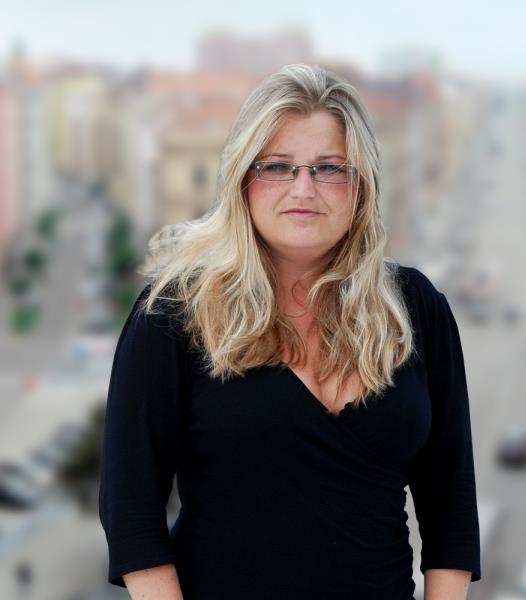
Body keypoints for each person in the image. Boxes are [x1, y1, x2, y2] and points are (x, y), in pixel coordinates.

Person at [99, 63, 480, 600]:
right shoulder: (174, 313)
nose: (304, 188)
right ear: (243, 180)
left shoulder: (416, 309)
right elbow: (131, 510)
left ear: (362, 185)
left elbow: (451, 507)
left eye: (329, 168)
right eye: (278, 167)